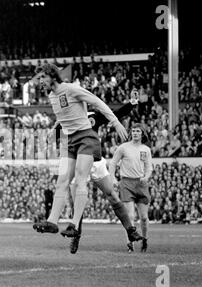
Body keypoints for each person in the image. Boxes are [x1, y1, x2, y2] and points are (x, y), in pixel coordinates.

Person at [31, 63, 128, 238]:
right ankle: (52, 222)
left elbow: (97, 102)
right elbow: (62, 118)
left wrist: (115, 122)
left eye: (42, 77)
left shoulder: (72, 89)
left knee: (80, 178)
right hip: (69, 140)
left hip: (85, 137)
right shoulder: (52, 97)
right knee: (62, 181)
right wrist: (54, 132)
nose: (40, 81)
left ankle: (75, 225)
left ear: (52, 75)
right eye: (38, 79)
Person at [67, 90, 144, 254]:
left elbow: (115, 114)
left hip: (97, 162)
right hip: (80, 164)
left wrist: (131, 103)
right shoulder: (69, 117)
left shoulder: (93, 115)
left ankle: (130, 229)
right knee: (77, 205)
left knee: (113, 197)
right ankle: (76, 236)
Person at [109, 123, 153, 252]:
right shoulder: (123, 147)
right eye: (133, 131)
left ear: (142, 133)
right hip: (126, 183)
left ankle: (144, 240)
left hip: (141, 183)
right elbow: (113, 163)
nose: (135, 133)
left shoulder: (146, 149)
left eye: (138, 131)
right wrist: (113, 178)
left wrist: (147, 176)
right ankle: (130, 244)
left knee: (144, 218)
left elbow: (149, 167)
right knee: (130, 216)